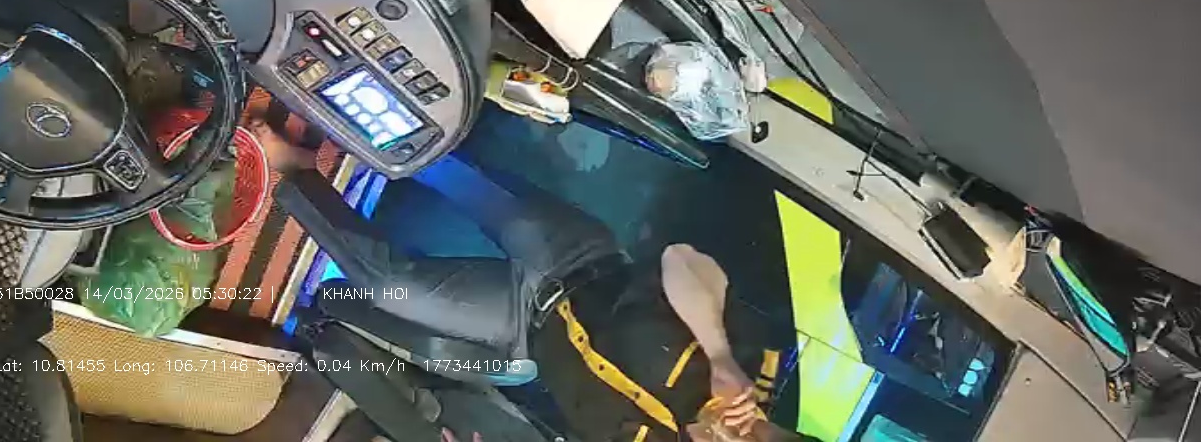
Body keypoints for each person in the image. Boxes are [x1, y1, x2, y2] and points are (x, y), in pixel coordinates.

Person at [255, 120, 813, 442]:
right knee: (441, 168)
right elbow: (680, 260)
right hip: (574, 258)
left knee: (386, 285)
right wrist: (719, 357)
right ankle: (339, 94)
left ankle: (296, 169)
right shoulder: (761, 365)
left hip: (523, 328)